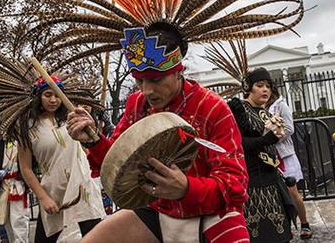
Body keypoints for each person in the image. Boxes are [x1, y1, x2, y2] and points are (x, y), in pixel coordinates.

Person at [67, 24, 250, 243]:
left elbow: (235, 185)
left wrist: (186, 188)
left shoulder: (212, 107)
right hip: (158, 210)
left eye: (155, 79)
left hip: (212, 214)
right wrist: (94, 141)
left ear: (178, 71)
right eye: (139, 80)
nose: (146, 90)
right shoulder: (137, 104)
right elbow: (119, 162)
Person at [16, 76, 105, 242]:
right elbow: (26, 168)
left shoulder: (72, 118)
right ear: (38, 97)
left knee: (95, 236)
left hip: (82, 186)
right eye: (47, 95)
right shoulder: (26, 128)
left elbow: (90, 145)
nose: (53, 100)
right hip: (53, 190)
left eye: (57, 95)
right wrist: (43, 197)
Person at [227, 68, 295, 243]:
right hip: (250, 178)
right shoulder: (238, 109)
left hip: (271, 176)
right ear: (249, 88)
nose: (265, 89)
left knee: (280, 233)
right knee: (257, 233)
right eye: (260, 85)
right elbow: (237, 143)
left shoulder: (268, 114)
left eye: (268, 86)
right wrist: (265, 140)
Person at [267, 84, 312, 239]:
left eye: (267, 87)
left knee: (292, 192)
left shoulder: (281, 105)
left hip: (284, 155)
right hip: (268, 156)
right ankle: (285, 228)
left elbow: (289, 129)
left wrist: (272, 139)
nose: (264, 91)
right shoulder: (255, 107)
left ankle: (304, 223)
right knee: (276, 194)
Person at [0, 131, 29, 242]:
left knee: (19, 219)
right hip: (3, 185)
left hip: (18, 185)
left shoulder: (24, 141)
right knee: (6, 220)